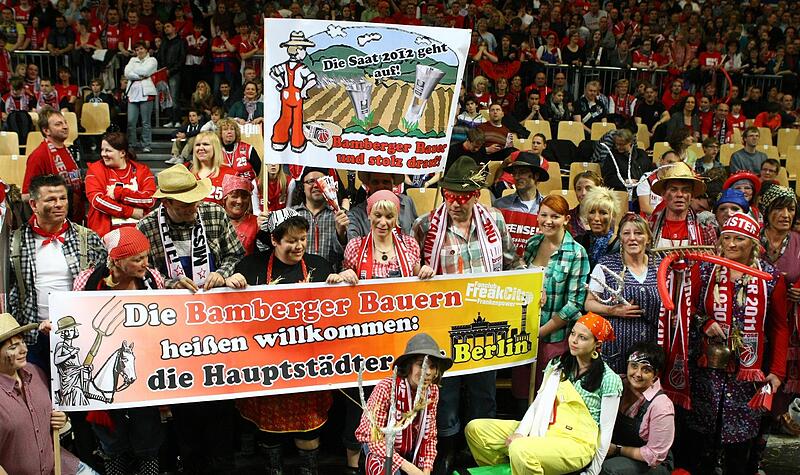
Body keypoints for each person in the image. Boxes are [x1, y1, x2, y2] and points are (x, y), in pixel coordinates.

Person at [411, 156, 519, 472]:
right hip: (443, 325)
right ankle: (446, 449)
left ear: (475, 195)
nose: (456, 203)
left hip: (485, 326)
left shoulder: (495, 221)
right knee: (445, 392)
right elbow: (410, 268)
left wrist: (531, 285)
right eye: (450, 196)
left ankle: (479, 449)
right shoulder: (425, 225)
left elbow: (512, 263)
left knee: (483, 391)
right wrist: (419, 270)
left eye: (463, 196)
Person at [332, 190, 434, 473]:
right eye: (378, 215)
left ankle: (398, 455)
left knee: (398, 395)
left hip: (399, 338)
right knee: (361, 399)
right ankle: (356, 463)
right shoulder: (355, 247)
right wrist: (345, 276)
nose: (383, 221)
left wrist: (424, 271)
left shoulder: (410, 246)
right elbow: (341, 282)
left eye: (389, 216)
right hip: (364, 340)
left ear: (396, 217)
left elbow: (418, 275)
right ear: (369, 215)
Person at [228, 210, 333, 474]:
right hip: (267, 366)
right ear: (274, 240)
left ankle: (309, 470)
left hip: (309, 366)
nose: (299, 246)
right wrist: (230, 282)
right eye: (291, 241)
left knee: (310, 427)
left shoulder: (320, 266)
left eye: (303, 239)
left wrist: (342, 281)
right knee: (269, 429)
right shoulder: (250, 267)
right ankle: (273, 468)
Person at [687, 213, 789, 475]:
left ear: (753, 244)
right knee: (701, 442)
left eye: (739, 239)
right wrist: (705, 322)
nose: (731, 244)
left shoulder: (770, 278)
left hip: (747, 375)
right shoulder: (707, 268)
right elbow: (689, 309)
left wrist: (777, 372)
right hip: (708, 370)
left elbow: (779, 328)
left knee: (739, 448)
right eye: (727, 238)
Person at [465, 313, 622, 475]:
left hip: (577, 441)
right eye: (573, 334)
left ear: (597, 343)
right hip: (545, 425)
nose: (574, 340)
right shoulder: (557, 365)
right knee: (476, 429)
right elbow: (538, 404)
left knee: (521, 449)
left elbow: (606, 431)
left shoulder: (609, 379)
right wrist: (520, 432)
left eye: (582, 337)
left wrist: (593, 471)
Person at [73, 227, 165, 475]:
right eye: (137, 259)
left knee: (147, 433)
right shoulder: (87, 281)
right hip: (102, 366)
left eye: (146, 256)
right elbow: (76, 317)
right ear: (116, 261)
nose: (145, 263)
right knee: (111, 437)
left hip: (143, 367)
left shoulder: (153, 279)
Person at [9, 174, 106, 370]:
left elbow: (103, 286)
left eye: (63, 198)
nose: (59, 204)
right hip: (32, 336)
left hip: (78, 335)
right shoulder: (14, 242)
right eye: (51, 199)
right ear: (34, 204)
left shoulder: (88, 238)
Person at [0, 313, 100, 475]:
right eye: (13, 347)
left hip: (60, 465)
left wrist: (61, 417)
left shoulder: (36, 372)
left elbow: (51, 410)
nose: (24, 350)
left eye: (23, 342)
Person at [137, 164, 245, 292]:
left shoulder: (215, 213)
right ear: (166, 203)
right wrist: (171, 284)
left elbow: (236, 254)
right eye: (185, 205)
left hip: (213, 296)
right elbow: (143, 270)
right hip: (169, 302)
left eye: (195, 201)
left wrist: (221, 274)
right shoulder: (146, 227)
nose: (193, 210)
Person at [355, 333, 452, 475]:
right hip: (380, 447)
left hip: (412, 448)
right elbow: (369, 437)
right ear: (409, 366)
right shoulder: (386, 388)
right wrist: (408, 467)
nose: (428, 372)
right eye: (421, 365)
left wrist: (426, 469)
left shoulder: (432, 391)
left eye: (433, 366)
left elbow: (430, 435)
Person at [523, 194, 590, 395]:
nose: (548, 221)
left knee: (547, 396)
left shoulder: (576, 253)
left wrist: (541, 332)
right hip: (525, 334)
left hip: (555, 338)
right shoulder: (532, 244)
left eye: (555, 216)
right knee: (522, 392)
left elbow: (574, 304)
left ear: (566, 220)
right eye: (544, 215)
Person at [585, 213, 661, 373]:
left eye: (639, 233)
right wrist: (613, 310)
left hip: (649, 350)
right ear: (620, 238)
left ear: (648, 238)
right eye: (627, 233)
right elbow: (589, 304)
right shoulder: (606, 265)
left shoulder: (660, 265)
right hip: (615, 349)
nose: (632, 238)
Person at [601, 343, 675, 475]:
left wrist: (617, 450)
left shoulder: (661, 405)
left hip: (650, 463)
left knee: (608, 469)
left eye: (646, 370)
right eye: (634, 366)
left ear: (656, 374)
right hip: (614, 449)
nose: (638, 374)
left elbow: (654, 455)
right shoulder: (616, 383)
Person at [85, 132, 156, 237]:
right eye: (102, 150)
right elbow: (97, 200)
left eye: (108, 150)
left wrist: (119, 193)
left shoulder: (142, 170)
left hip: (139, 234)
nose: (103, 154)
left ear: (122, 153)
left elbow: (150, 199)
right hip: (105, 236)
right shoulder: (95, 170)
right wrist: (130, 211)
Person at [22, 107, 85, 222]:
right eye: (58, 124)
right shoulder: (38, 156)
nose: (65, 126)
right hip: (54, 223)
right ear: (46, 131)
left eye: (65, 123)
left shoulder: (66, 149)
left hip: (74, 217)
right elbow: (27, 195)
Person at [292, 166, 350, 268]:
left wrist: (341, 234)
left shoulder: (340, 215)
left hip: (331, 278)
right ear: (303, 187)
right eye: (310, 181)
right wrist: (263, 229)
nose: (316, 185)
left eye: (320, 181)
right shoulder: (291, 215)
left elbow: (347, 254)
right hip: (298, 277)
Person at [347, 171, 418, 239]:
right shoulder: (356, 214)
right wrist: (341, 235)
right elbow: (351, 242)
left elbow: (416, 231)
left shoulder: (407, 202)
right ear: (368, 184)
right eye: (375, 182)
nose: (381, 186)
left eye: (385, 182)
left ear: (393, 183)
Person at [124, 41, 157, 153]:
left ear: (146, 50)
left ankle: (146, 144)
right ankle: (132, 144)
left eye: (141, 49)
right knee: (131, 122)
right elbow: (127, 73)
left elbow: (146, 72)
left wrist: (134, 72)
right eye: (137, 50)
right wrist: (139, 75)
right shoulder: (132, 60)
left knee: (145, 122)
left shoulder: (152, 60)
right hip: (132, 94)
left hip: (146, 93)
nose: (139, 51)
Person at [594, 128, 651, 193]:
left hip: (643, 190)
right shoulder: (612, 156)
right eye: (616, 144)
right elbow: (608, 178)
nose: (618, 147)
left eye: (621, 144)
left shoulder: (642, 154)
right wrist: (625, 181)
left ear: (630, 142)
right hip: (622, 191)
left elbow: (650, 171)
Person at [577, 186, 621, 268]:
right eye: (592, 212)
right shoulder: (579, 242)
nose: (596, 218)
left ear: (612, 216)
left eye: (603, 213)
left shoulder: (620, 246)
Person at [189, 131, 236, 207]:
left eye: (205, 144)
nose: (201, 148)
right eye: (197, 145)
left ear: (215, 148)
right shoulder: (187, 173)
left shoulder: (230, 174)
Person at [220, 174, 260, 255]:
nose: (239, 201)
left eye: (244, 197)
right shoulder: (216, 221)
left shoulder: (257, 222)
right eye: (234, 196)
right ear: (225, 198)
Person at [570, 171, 604, 238]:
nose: (583, 193)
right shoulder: (569, 216)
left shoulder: (606, 217)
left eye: (588, 188)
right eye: (579, 189)